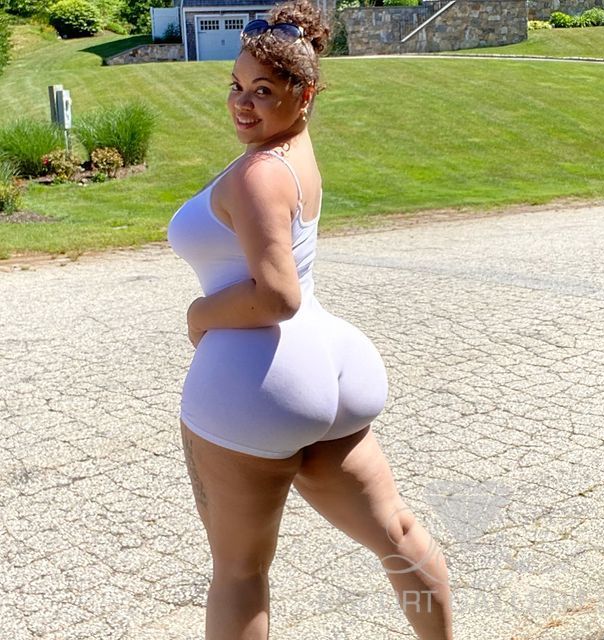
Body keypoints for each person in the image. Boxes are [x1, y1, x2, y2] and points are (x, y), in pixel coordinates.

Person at [166, 1, 453, 638]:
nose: (242, 103)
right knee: (397, 533)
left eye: (263, 91)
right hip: (333, 367)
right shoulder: (295, 150)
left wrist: (200, 315)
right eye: (236, 86)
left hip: (257, 384)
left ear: (305, 94)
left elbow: (276, 296)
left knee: (239, 574)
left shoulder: (258, 174)